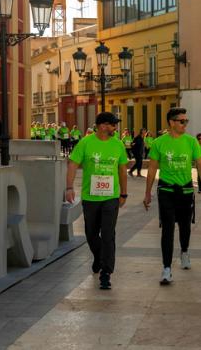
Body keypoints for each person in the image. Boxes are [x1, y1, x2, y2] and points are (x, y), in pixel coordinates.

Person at [144, 108, 201, 285]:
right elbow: (151, 169)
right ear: (171, 122)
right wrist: (147, 193)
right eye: (182, 121)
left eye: (186, 121)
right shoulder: (159, 143)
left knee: (185, 226)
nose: (185, 124)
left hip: (186, 190)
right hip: (166, 190)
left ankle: (185, 251)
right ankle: (166, 268)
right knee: (167, 229)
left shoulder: (191, 142)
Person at [66, 112, 128, 290]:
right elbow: (72, 164)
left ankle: (106, 273)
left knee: (108, 234)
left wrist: (123, 193)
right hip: (90, 197)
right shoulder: (85, 143)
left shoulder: (118, 144)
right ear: (102, 126)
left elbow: (122, 170)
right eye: (112, 125)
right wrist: (69, 187)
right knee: (91, 234)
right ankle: (99, 257)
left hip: (111, 197)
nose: (115, 128)